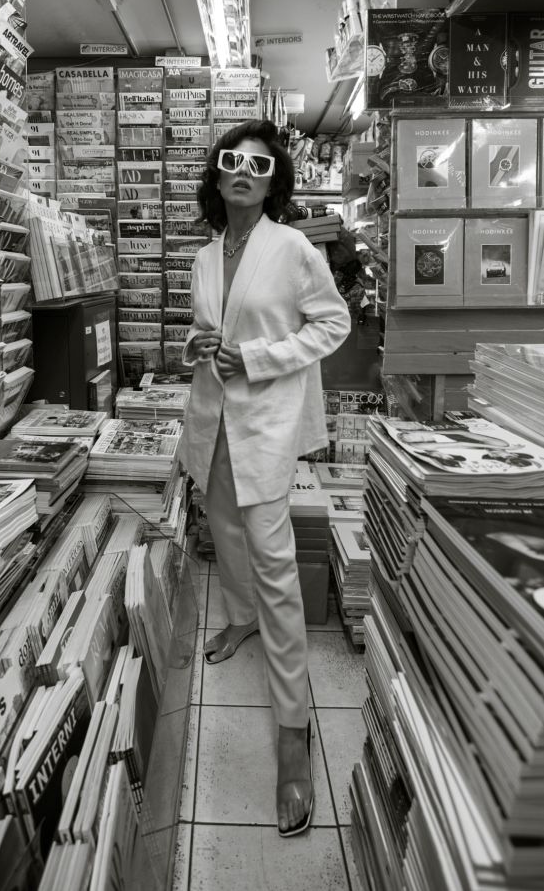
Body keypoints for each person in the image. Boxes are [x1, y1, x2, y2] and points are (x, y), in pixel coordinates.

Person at [178, 119, 351, 836]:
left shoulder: (293, 248)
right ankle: (240, 617)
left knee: (275, 565)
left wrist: (256, 358)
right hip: (212, 422)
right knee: (223, 529)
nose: (243, 173)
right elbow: (203, 332)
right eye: (232, 161)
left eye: (259, 164)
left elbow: (332, 325)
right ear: (216, 176)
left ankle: (292, 730)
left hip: (266, 424)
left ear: (273, 179)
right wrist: (196, 344)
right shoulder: (203, 256)